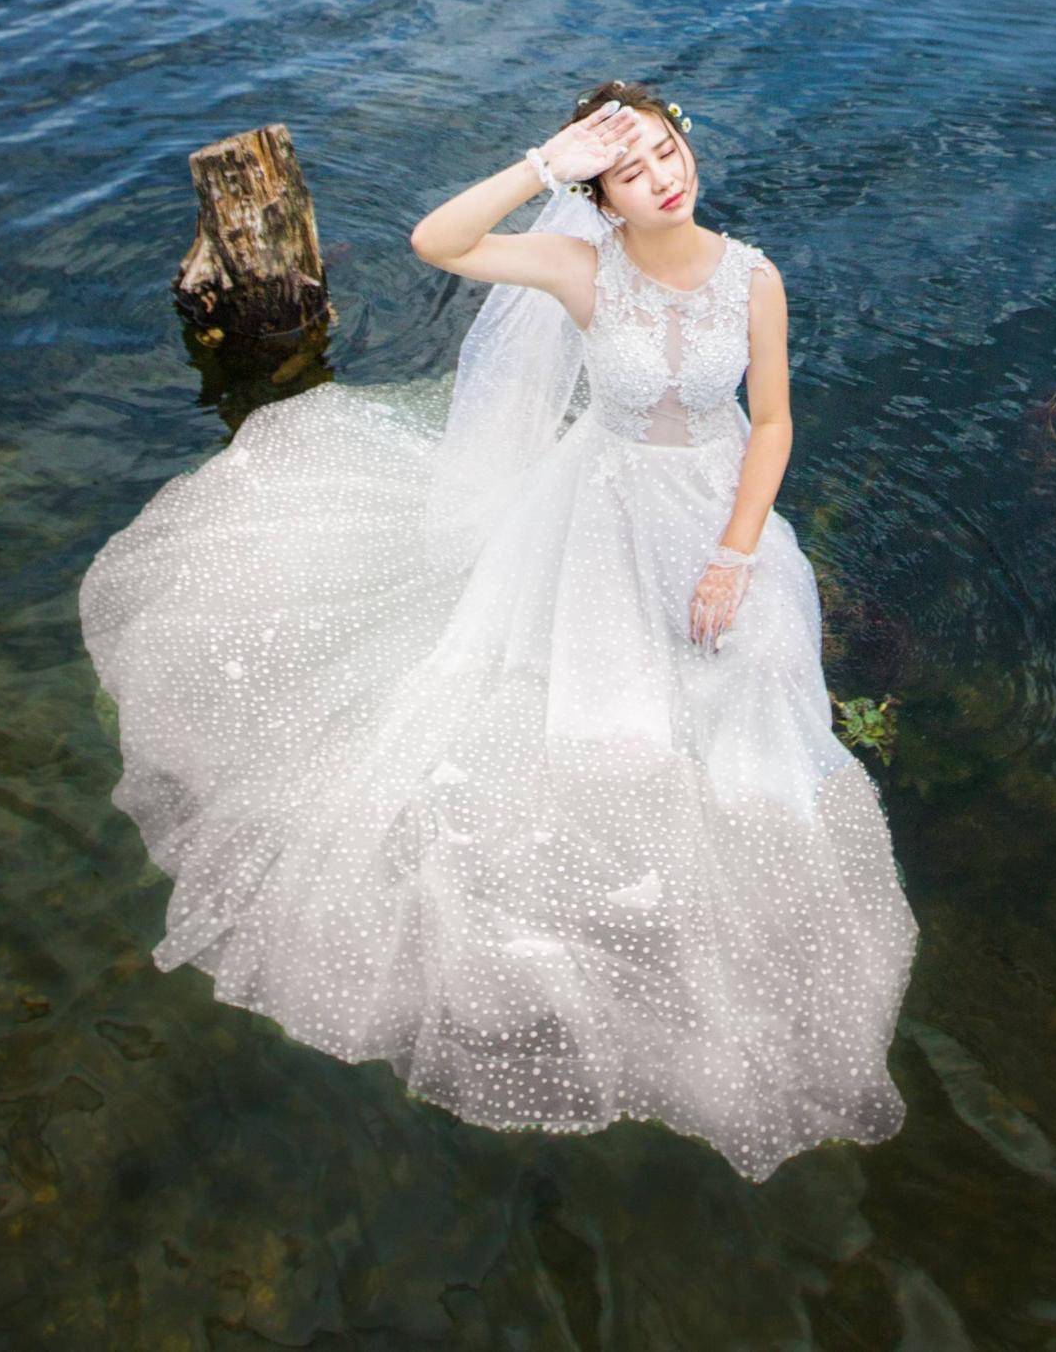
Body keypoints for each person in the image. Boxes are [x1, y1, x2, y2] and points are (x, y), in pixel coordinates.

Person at [80, 80, 913, 1178]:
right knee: (598, 730)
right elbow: (439, 241)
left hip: (716, 515)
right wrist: (544, 160)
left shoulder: (755, 276)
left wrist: (734, 554)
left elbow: (771, 422)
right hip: (602, 513)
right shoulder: (581, 267)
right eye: (632, 170)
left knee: (755, 690)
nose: (665, 177)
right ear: (602, 196)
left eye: (667, 153)